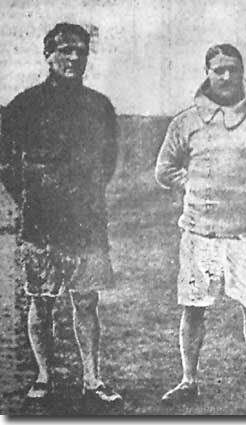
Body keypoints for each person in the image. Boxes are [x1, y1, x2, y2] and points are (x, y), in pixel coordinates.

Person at [155, 43, 246, 408]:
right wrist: (195, 184)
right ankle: (188, 380)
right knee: (193, 307)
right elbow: (164, 169)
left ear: (242, 71)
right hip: (200, 232)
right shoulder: (185, 122)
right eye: (219, 70)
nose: (227, 76)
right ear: (208, 72)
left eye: (233, 68)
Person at [0, 23, 122, 405]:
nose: (73, 58)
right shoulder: (25, 104)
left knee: (86, 301)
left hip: (85, 220)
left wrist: (85, 195)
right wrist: (29, 195)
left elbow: (109, 160)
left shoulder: (99, 105)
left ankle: (92, 377)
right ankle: (43, 375)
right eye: (65, 50)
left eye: (80, 51)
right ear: (48, 55)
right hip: (41, 220)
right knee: (41, 300)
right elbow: (4, 160)